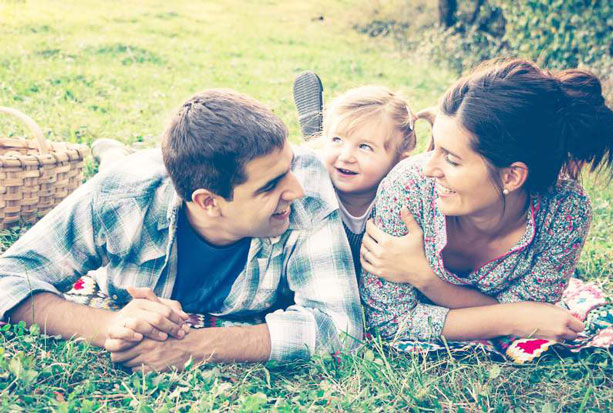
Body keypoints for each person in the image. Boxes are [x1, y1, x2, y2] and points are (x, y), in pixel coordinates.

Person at [0, 89, 363, 371]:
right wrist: (111, 325)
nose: (295, 190)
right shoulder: (120, 195)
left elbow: (341, 327)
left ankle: (115, 150)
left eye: (289, 168)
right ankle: (112, 153)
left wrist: (191, 347)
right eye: (269, 186)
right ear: (208, 202)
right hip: (138, 177)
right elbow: (9, 276)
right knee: (117, 166)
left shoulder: (307, 182)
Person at [360, 59, 613, 343]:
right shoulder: (408, 188)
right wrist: (514, 318)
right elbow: (390, 321)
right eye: (435, 147)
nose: (429, 168)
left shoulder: (564, 212)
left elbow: (532, 311)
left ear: (512, 177)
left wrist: (424, 278)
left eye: (452, 159)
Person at [317, 85, 416, 277]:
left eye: (364, 147)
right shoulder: (313, 190)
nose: (346, 156)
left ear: (399, 162)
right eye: (337, 140)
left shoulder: (401, 206)